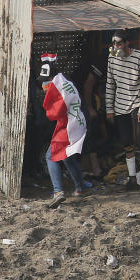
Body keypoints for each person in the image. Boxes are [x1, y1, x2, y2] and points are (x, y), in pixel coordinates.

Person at [105, 29, 140, 188]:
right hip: (120, 105)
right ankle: (132, 178)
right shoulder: (112, 58)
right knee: (126, 142)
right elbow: (110, 84)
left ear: (126, 43)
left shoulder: (139, 57)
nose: (115, 46)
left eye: (119, 43)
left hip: (137, 102)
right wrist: (109, 109)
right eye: (114, 43)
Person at [43, 72, 94, 208]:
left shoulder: (58, 88)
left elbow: (52, 115)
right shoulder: (66, 81)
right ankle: (81, 187)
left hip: (69, 127)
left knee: (50, 156)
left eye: (44, 82)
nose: (43, 85)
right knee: (68, 157)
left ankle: (58, 191)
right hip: (79, 122)